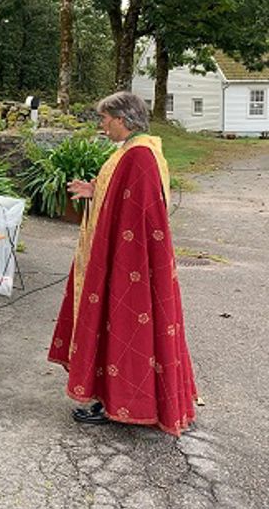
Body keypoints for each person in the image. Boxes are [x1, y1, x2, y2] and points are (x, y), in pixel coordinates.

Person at [49, 91, 197, 436]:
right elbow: (121, 197)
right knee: (122, 325)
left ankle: (123, 402)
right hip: (126, 256)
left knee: (128, 324)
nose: (102, 125)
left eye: (105, 118)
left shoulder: (140, 155)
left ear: (122, 119)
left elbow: (142, 217)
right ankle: (113, 397)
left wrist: (118, 262)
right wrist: (94, 190)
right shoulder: (135, 150)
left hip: (131, 262)